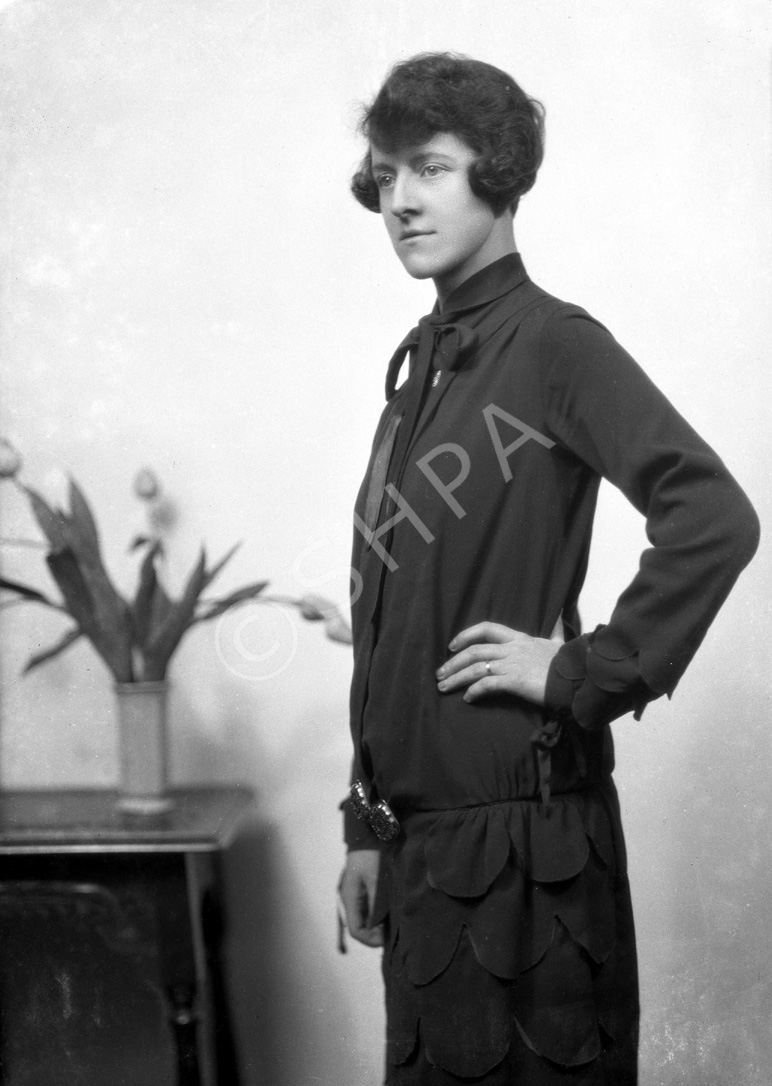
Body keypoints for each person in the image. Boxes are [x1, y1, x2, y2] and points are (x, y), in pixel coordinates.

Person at [337, 52, 759, 1086]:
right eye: (385, 176)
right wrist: (364, 828)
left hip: (528, 847)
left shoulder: (555, 346)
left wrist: (583, 671)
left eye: (429, 168)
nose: (400, 200)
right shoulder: (418, 374)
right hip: (425, 850)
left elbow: (712, 516)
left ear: (497, 169)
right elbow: (391, 619)